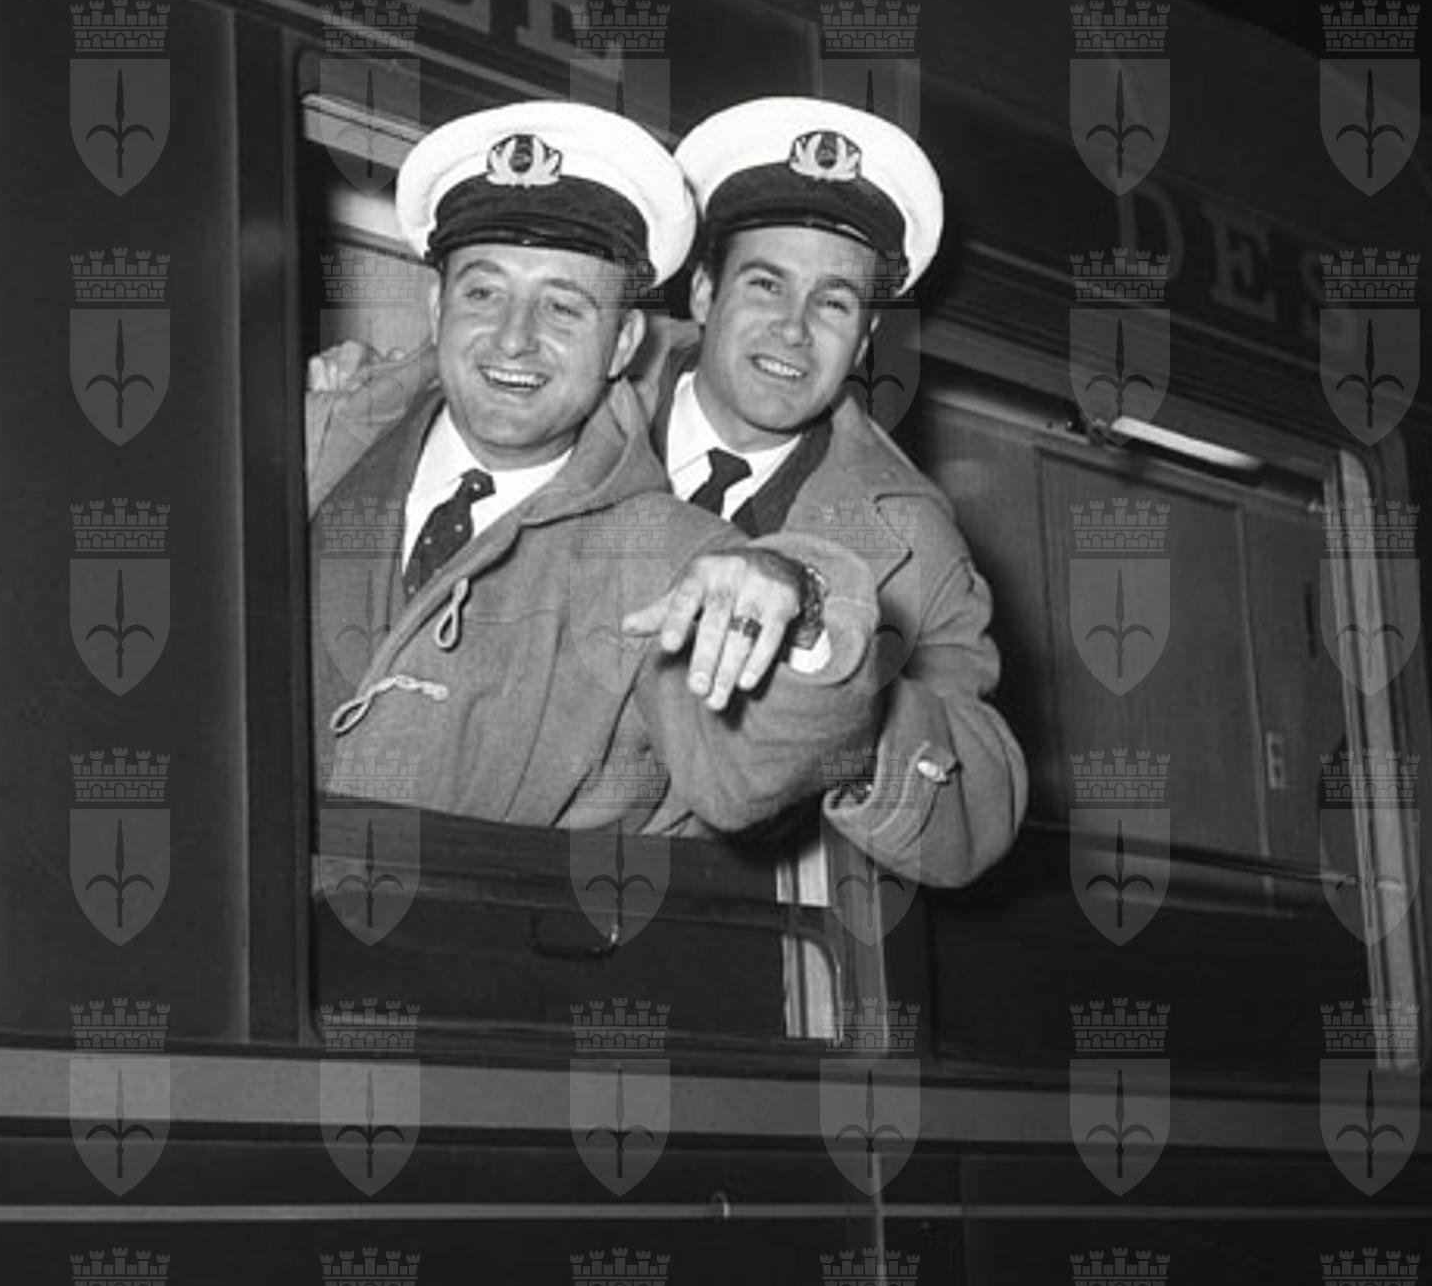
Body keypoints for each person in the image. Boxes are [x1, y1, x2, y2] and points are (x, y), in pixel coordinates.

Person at [310, 101, 879, 834]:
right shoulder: (310, 441)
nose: (513, 339)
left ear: (622, 345)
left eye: (563, 308)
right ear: (435, 307)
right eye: (484, 293)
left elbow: (747, 777)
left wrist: (797, 603)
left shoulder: (673, 559)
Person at [658, 97, 1026, 885]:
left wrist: (834, 680)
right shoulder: (577, 404)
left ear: (862, 341)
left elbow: (980, 813)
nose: (794, 329)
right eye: (765, 284)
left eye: (832, 302)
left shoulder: (912, 538)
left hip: (712, 917)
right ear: (703, 293)